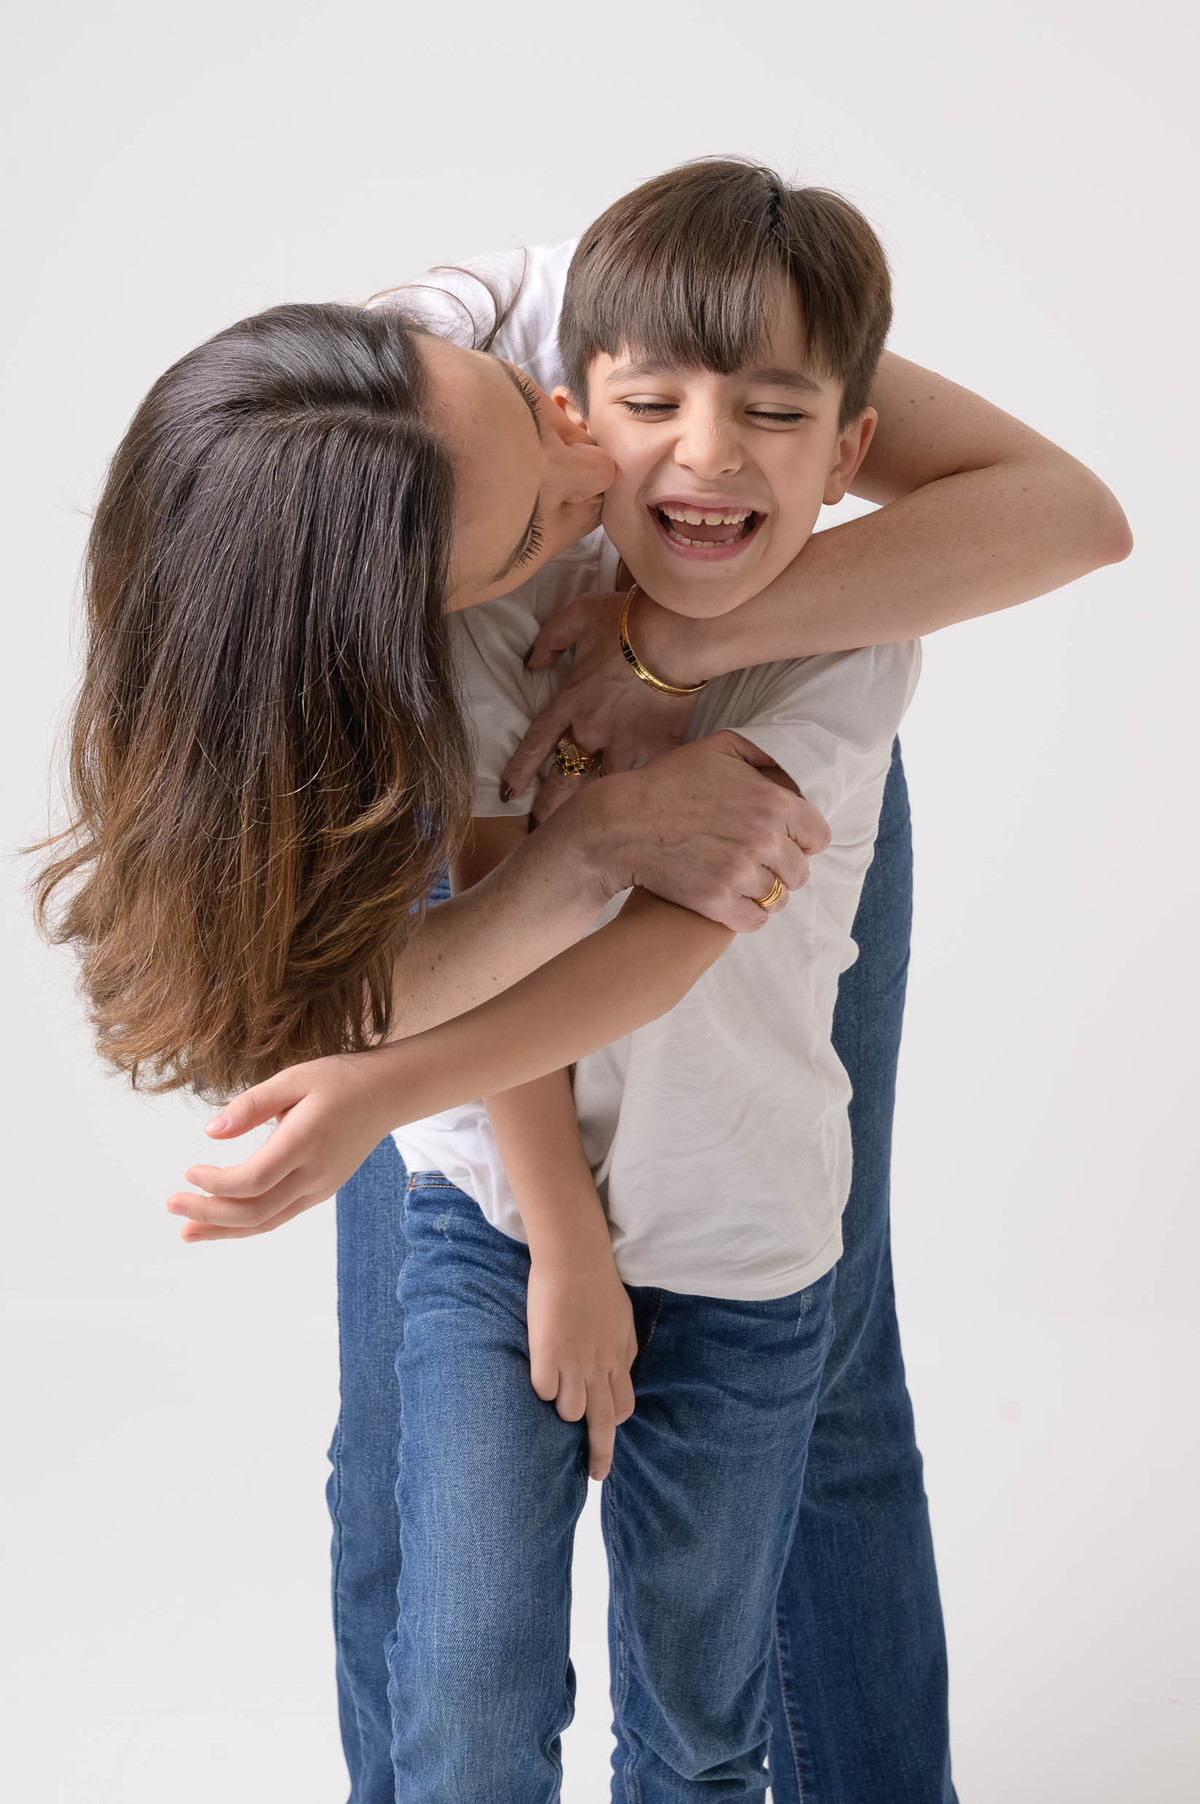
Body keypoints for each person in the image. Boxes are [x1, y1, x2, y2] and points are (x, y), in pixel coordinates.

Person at [36, 159, 1130, 1804]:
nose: (579, 447)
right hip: (503, 815)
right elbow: (339, 1019)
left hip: (744, 750)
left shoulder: (580, 334)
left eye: (536, 404)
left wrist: (662, 646)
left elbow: (1066, 513)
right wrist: (577, 853)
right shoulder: (383, 677)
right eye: (546, 517)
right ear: (407, 619)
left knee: (816, 1363)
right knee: (415, 1438)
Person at [374, 166, 926, 1801]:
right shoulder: (497, 613)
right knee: (467, 1689)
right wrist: (563, 1244)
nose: (706, 451)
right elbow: (489, 931)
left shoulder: (852, 643)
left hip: (748, 1249)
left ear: (851, 456)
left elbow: (663, 940)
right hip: (492, 1212)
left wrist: (358, 1089)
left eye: (771, 412)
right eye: (651, 402)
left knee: (699, 1723)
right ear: (575, 411)